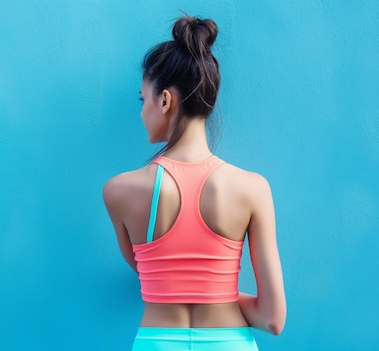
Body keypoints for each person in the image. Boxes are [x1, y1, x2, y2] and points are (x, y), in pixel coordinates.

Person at [103, 15, 286, 351]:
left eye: (143, 100)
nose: (142, 111)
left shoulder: (118, 191)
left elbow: (148, 275)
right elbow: (273, 319)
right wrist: (222, 298)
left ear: (165, 100)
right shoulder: (253, 188)